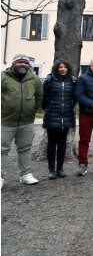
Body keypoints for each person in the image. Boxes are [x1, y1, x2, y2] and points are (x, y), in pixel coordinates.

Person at [1, 53, 43, 186]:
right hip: (5, 121)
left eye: (26, 63)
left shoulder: (34, 79)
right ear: (13, 64)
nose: (23, 65)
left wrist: (31, 111)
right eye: (20, 62)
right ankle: (0, 177)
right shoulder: (3, 77)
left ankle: (25, 174)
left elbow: (39, 97)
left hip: (27, 121)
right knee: (2, 149)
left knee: (25, 148)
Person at [42, 59, 77, 179]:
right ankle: (51, 170)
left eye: (65, 67)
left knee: (62, 144)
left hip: (66, 116)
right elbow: (43, 97)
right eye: (60, 67)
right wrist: (48, 108)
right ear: (56, 69)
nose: (63, 69)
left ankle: (60, 169)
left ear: (68, 69)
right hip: (52, 116)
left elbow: (74, 98)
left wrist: (68, 107)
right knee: (52, 144)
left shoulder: (72, 81)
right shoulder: (50, 80)